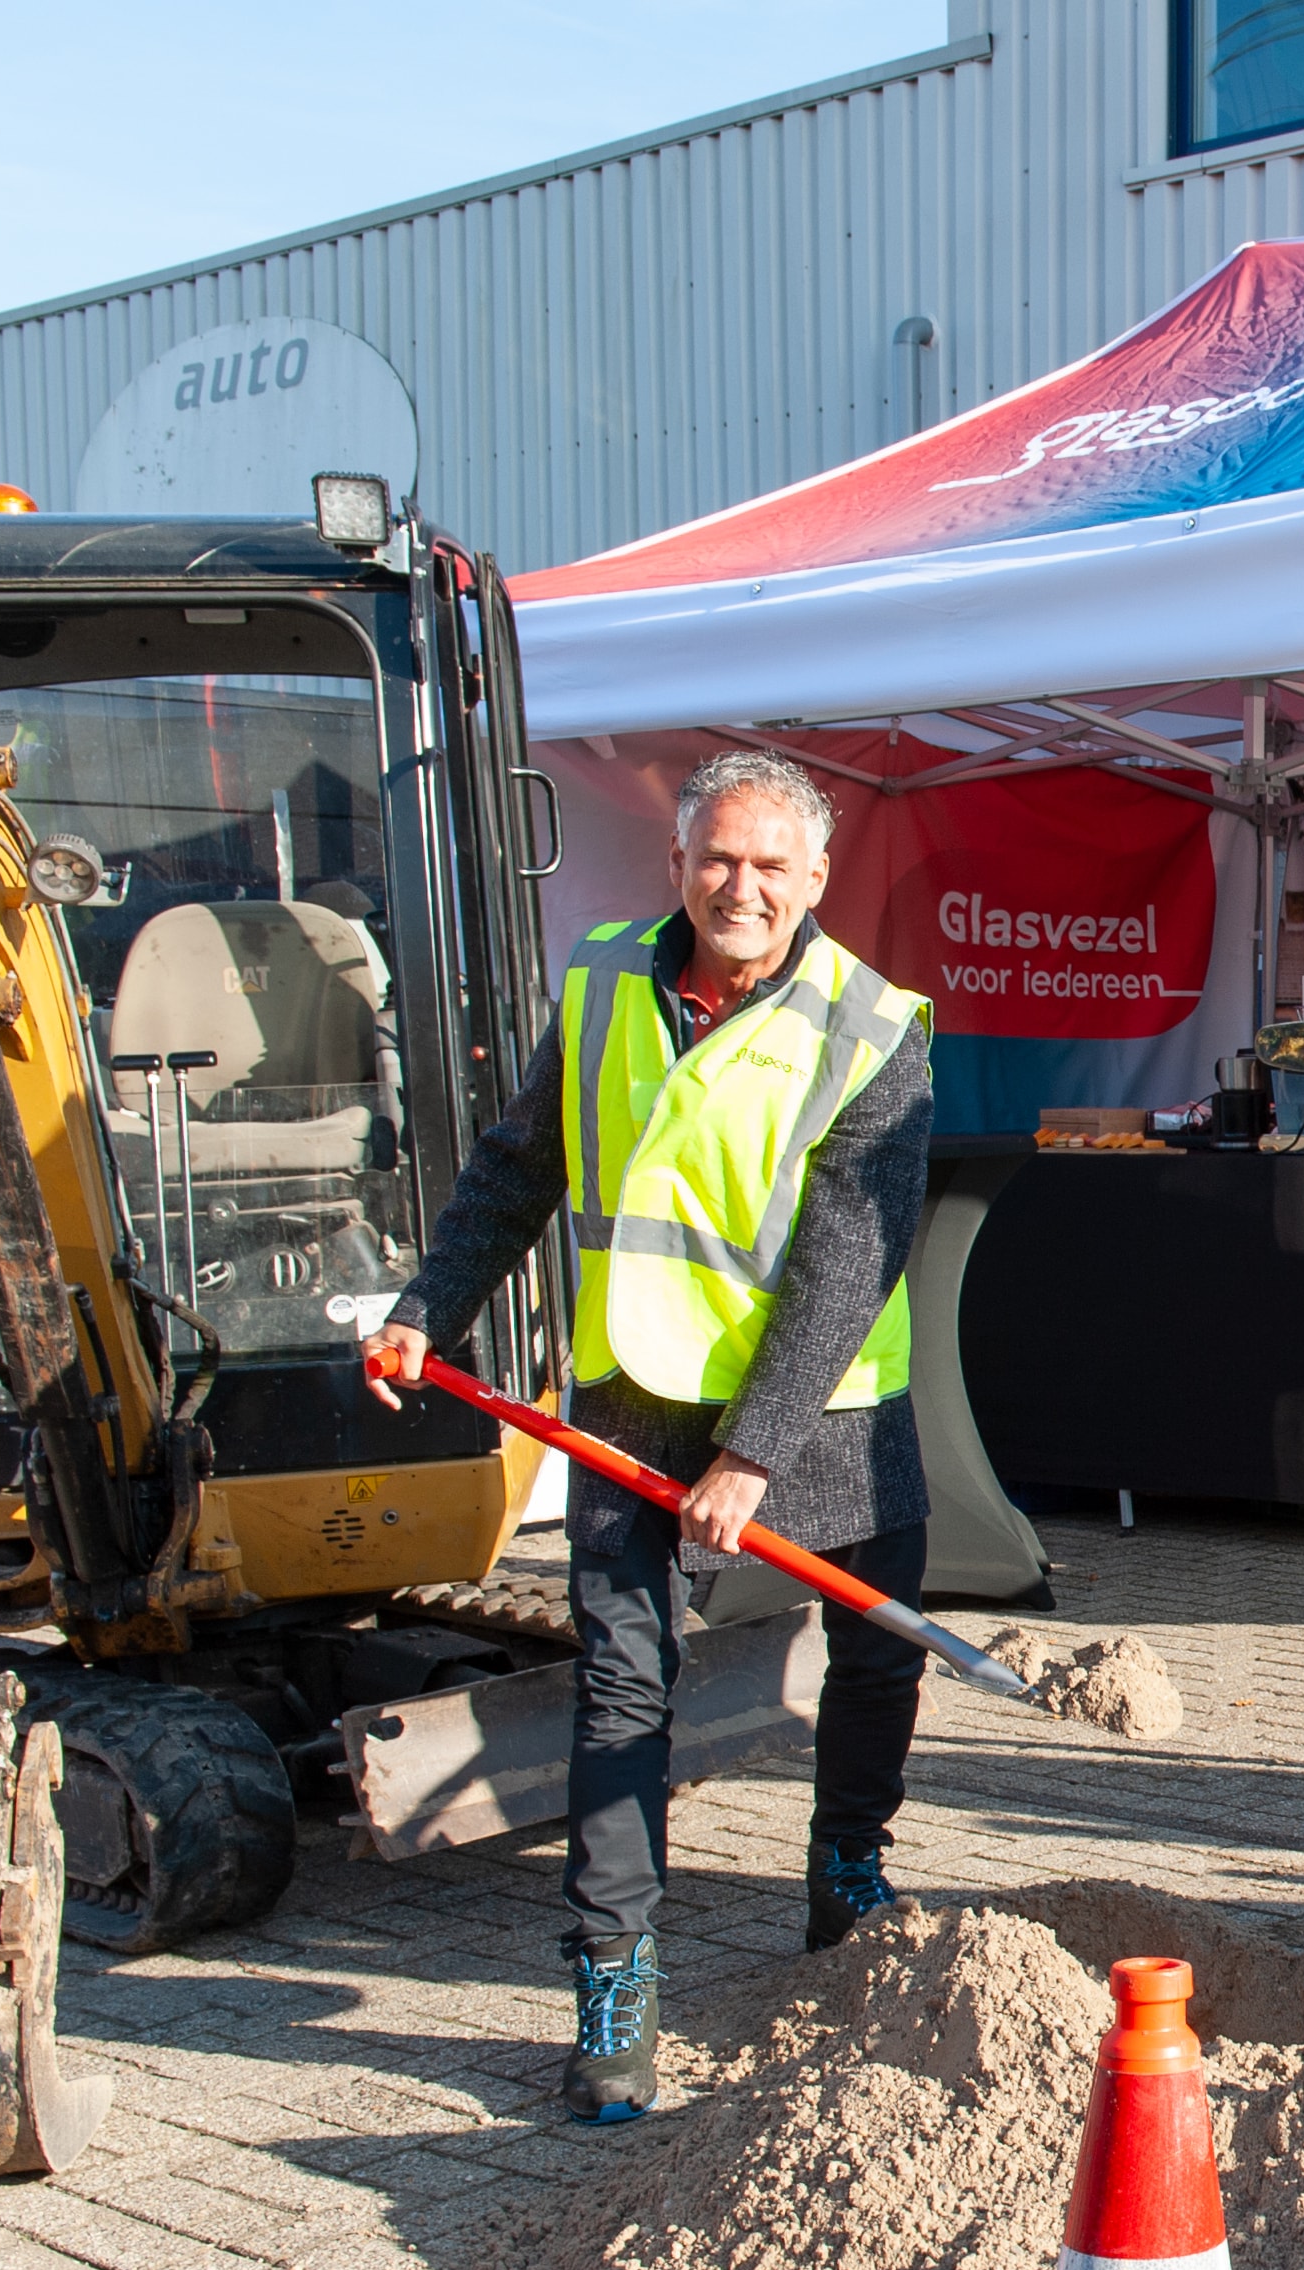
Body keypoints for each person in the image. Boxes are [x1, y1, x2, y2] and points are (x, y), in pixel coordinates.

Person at [363, 748, 935, 2125]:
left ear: (816, 879)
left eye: (772, 867)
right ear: (678, 864)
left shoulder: (876, 1025)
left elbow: (850, 1256)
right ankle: (615, 1976)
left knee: (876, 1648)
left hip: (825, 1408)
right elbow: (522, 1160)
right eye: (717, 859)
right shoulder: (608, 979)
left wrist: (752, 1453)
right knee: (624, 1688)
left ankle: (847, 1864)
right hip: (632, 1398)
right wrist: (428, 1308)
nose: (741, 887)